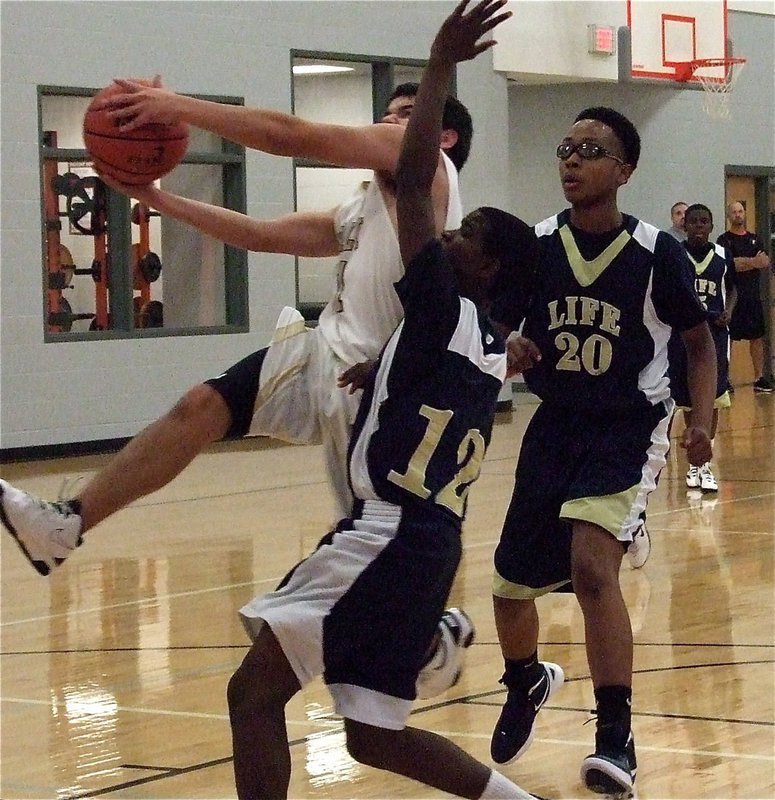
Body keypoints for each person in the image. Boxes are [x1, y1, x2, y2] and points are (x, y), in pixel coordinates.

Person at [225, 2, 543, 798]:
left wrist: (438, 65)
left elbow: (408, 181)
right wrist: (382, 375)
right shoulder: (481, 348)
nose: (447, 236)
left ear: (485, 268)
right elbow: (431, 378)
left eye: (465, 236)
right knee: (372, 736)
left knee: (251, 693)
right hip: (430, 545)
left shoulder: (439, 308)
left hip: (384, 532)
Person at [0, 68, 472, 570]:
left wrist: (178, 106)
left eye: (404, 116)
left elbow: (292, 136)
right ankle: (66, 523)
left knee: (372, 555)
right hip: (325, 358)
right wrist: (155, 199)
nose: (388, 122)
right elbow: (261, 235)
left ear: (442, 138)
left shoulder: (432, 171)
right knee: (199, 406)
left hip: (380, 386)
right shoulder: (364, 207)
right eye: (387, 114)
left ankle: (425, 633)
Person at [488, 107, 717, 797]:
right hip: (554, 422)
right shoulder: (535, 245)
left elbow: (697, 342)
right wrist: (510, 344)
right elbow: (500, 322)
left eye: (589, 151)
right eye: (565, 148)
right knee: (507, 586)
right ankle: (527, 679)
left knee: (591, 567)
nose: (571, 161)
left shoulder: (654, 251)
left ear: (623, 171)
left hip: (627, 423)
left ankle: (615, 735)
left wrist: (700, 420)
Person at [669, 203, 736, 493]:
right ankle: (693, 464)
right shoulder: (675, 254)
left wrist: (729, 311)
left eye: (704, 222)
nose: (698, 226)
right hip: (684, 335)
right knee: (688, 399)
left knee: (714, 397)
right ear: (685, 225)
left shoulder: (722, 255)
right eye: (693, 221)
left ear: (711, 226)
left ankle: (705, 462)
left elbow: (733, 288)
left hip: (716, 335)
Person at [717, 200, 773, 393]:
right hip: (732, 297)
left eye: (740, 211)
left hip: (752, 297)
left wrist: (745, 262)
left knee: (757, 337)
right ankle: (725, 379)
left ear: (745, 213)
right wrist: (752, 261)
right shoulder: (723, 240)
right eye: (734, 212)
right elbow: (730, 264)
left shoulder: (755, 239)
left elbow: (764, 261)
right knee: (728, 339)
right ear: (729, 215)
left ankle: (759, 378)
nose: (738, 215)